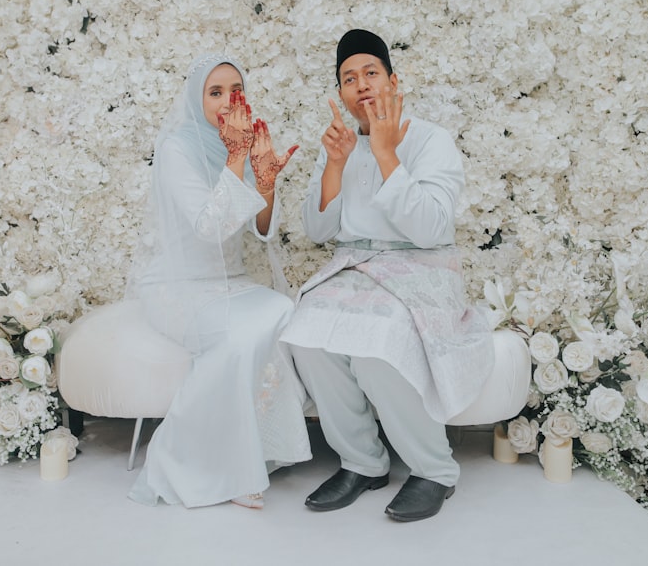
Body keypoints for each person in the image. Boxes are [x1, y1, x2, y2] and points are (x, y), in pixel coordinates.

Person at [281, 29, 494, 522]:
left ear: (394, 82)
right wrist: (335, 165)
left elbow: (431, 228)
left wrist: (384, 151)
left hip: (422, 268)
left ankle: (435, 470)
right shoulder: (337, 144)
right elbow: (317, 232)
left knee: (379, 339)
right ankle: (362, 462)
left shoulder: (430, 139)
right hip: (355, 267)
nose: (361, 85)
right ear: (342, 94)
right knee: (306, 333)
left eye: (371, 73)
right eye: (349, 79)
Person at [126, 53, 311, 509]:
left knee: (281, 309)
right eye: (215, 92)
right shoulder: (177, 148)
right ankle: (191, 463)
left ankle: (250, 455)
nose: (228, 100)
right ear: (197, 100)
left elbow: (261, 231)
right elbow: (209, 226)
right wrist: (236, 157)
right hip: (177, 286)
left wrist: (265, 181)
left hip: (230, 282)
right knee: (239, 334)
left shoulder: (241, 145)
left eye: (235, 90)